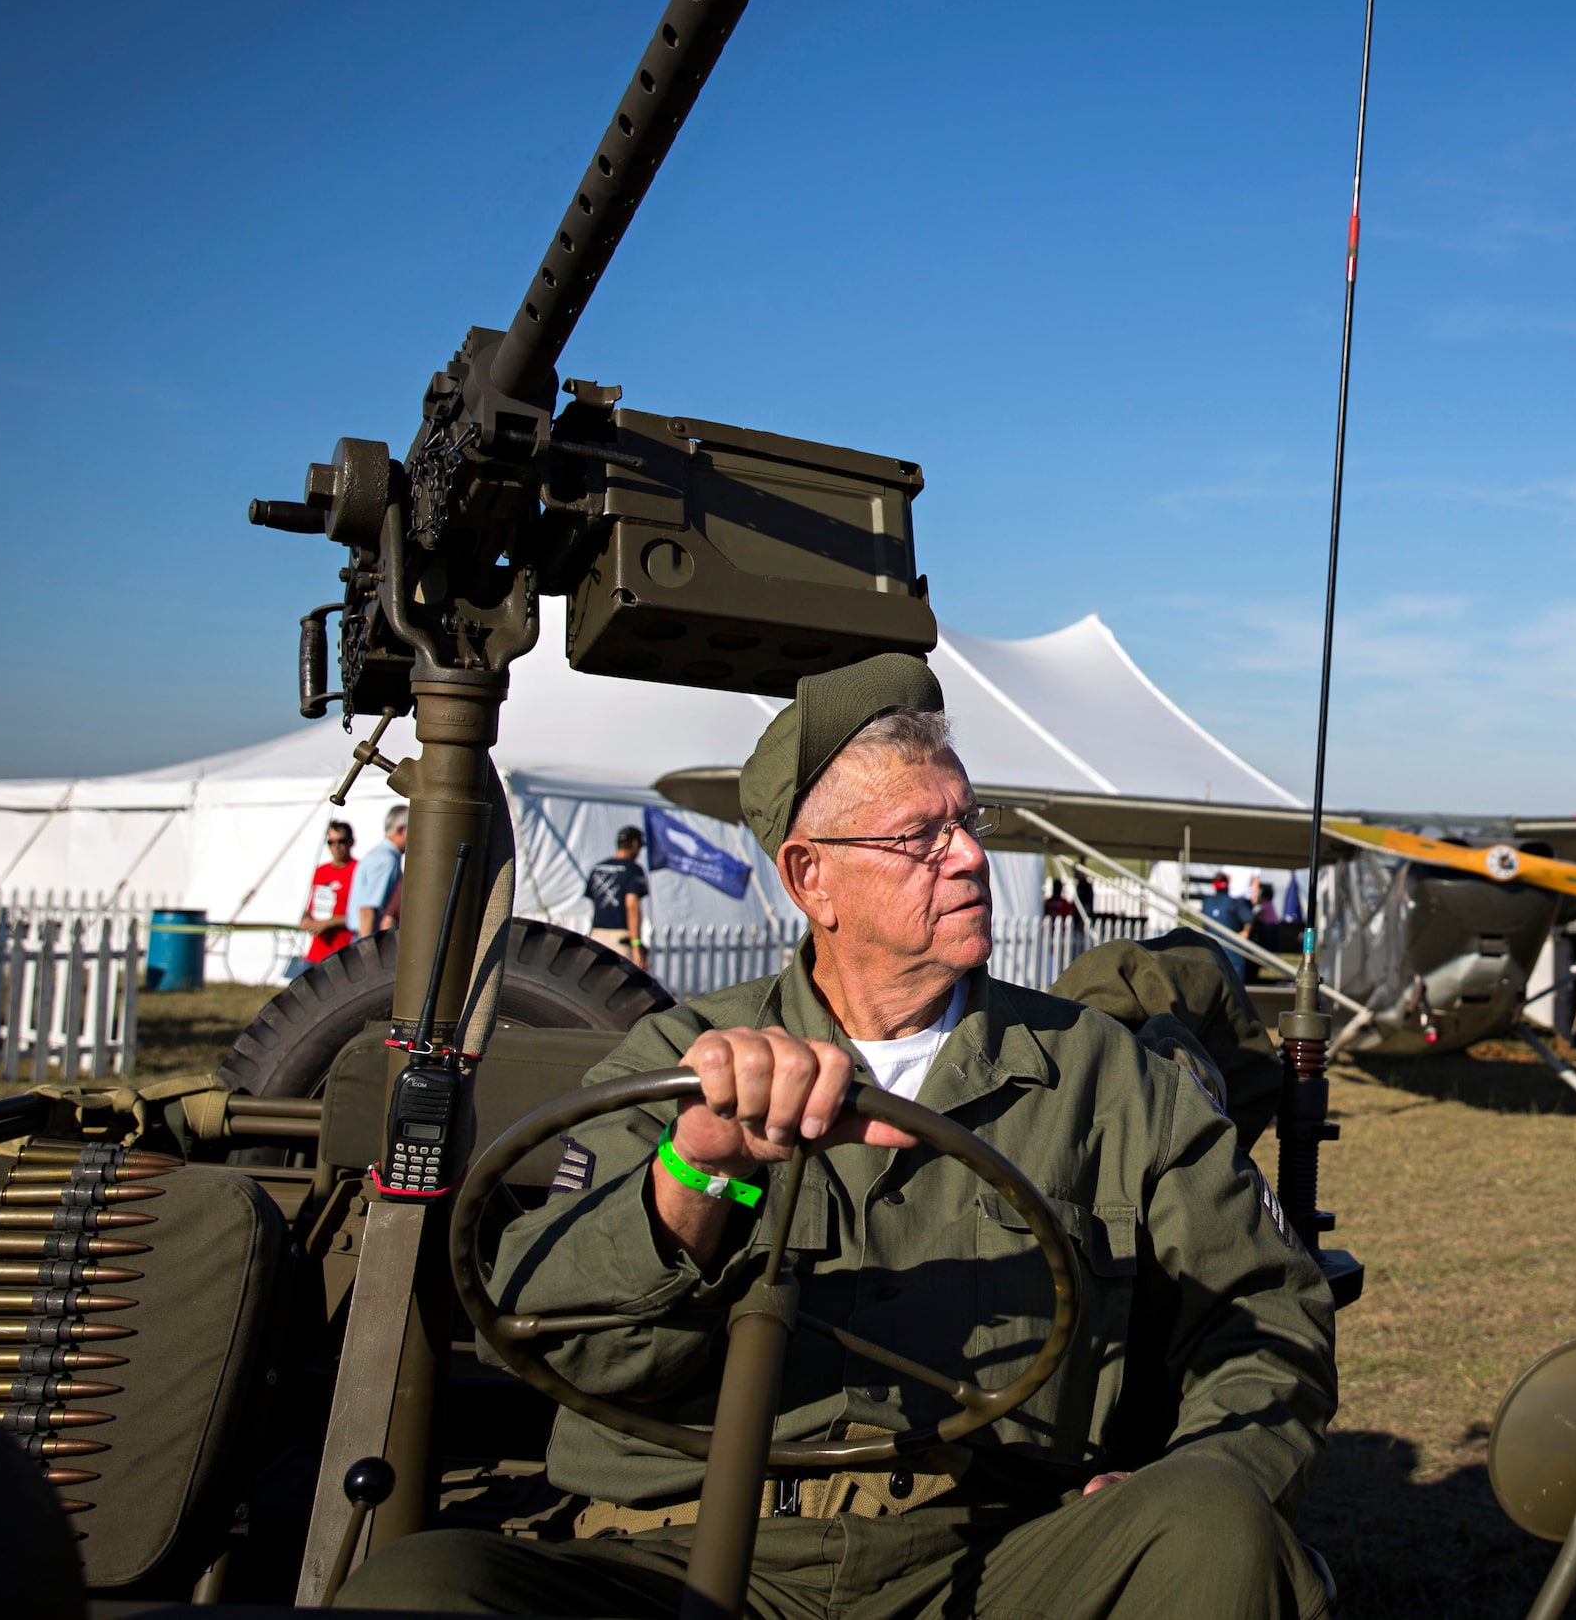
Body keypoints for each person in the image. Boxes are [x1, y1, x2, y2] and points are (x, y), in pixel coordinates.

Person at [342, 655, 1336, 1619]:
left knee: (1211, 1525)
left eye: (968, 821)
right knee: (419, 1590)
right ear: (812, 878)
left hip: (991, 1557)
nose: (972, 856)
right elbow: (548, 1334)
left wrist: (1206, 1464)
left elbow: (1265, 1318)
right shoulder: (677, 1060)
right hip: (674, 1551)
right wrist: (700, 1176)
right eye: (921, 835)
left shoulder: (1105, 1076)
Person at [586, 826, 653, 969]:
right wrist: (636, 945)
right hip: (620, 941)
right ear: (634, 844)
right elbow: (632, 905)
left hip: (596, 937)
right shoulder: (633, 869)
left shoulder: (597, 868)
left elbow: (593, 903)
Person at [301, 820, 358, 962]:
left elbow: (361, 914)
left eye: (341, 841)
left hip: (343, 952)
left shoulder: (358, 870)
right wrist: (306, 919)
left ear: (351, 842)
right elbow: (311, 907)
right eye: (331, 842)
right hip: (317, 951)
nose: (336, 847)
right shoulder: (321, 871)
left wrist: (327, 923)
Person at [350, 805, 405, 941]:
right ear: (401, 830)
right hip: (368, 939)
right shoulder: (386, 860)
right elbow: (368, 910)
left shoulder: (377, 854)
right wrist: (368, 952)